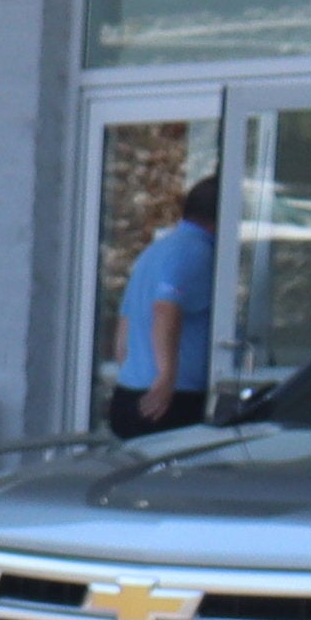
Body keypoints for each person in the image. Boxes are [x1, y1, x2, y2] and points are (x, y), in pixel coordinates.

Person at [112, 175, 217, 438]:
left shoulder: (154, 252)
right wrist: (166, 375)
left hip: (129, 392)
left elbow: (124, 331)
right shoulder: (196, 252)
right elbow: (166, 309)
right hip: (169, 400)